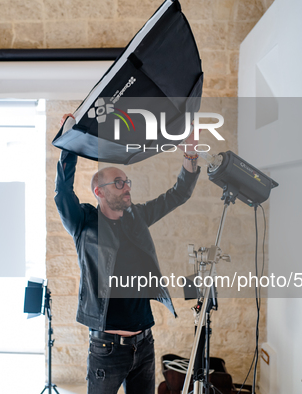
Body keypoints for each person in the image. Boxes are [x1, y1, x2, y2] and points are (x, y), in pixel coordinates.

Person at [54, 113, 201, 394]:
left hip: (144, 342)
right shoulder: (84, 222)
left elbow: (178, 194)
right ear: (99, 191)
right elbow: (63, 192)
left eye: (127, 181)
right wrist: (69, 143)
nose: (127, 187)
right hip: (107, 348)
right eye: (119, 183)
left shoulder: (137, 216)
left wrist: (190, 155)